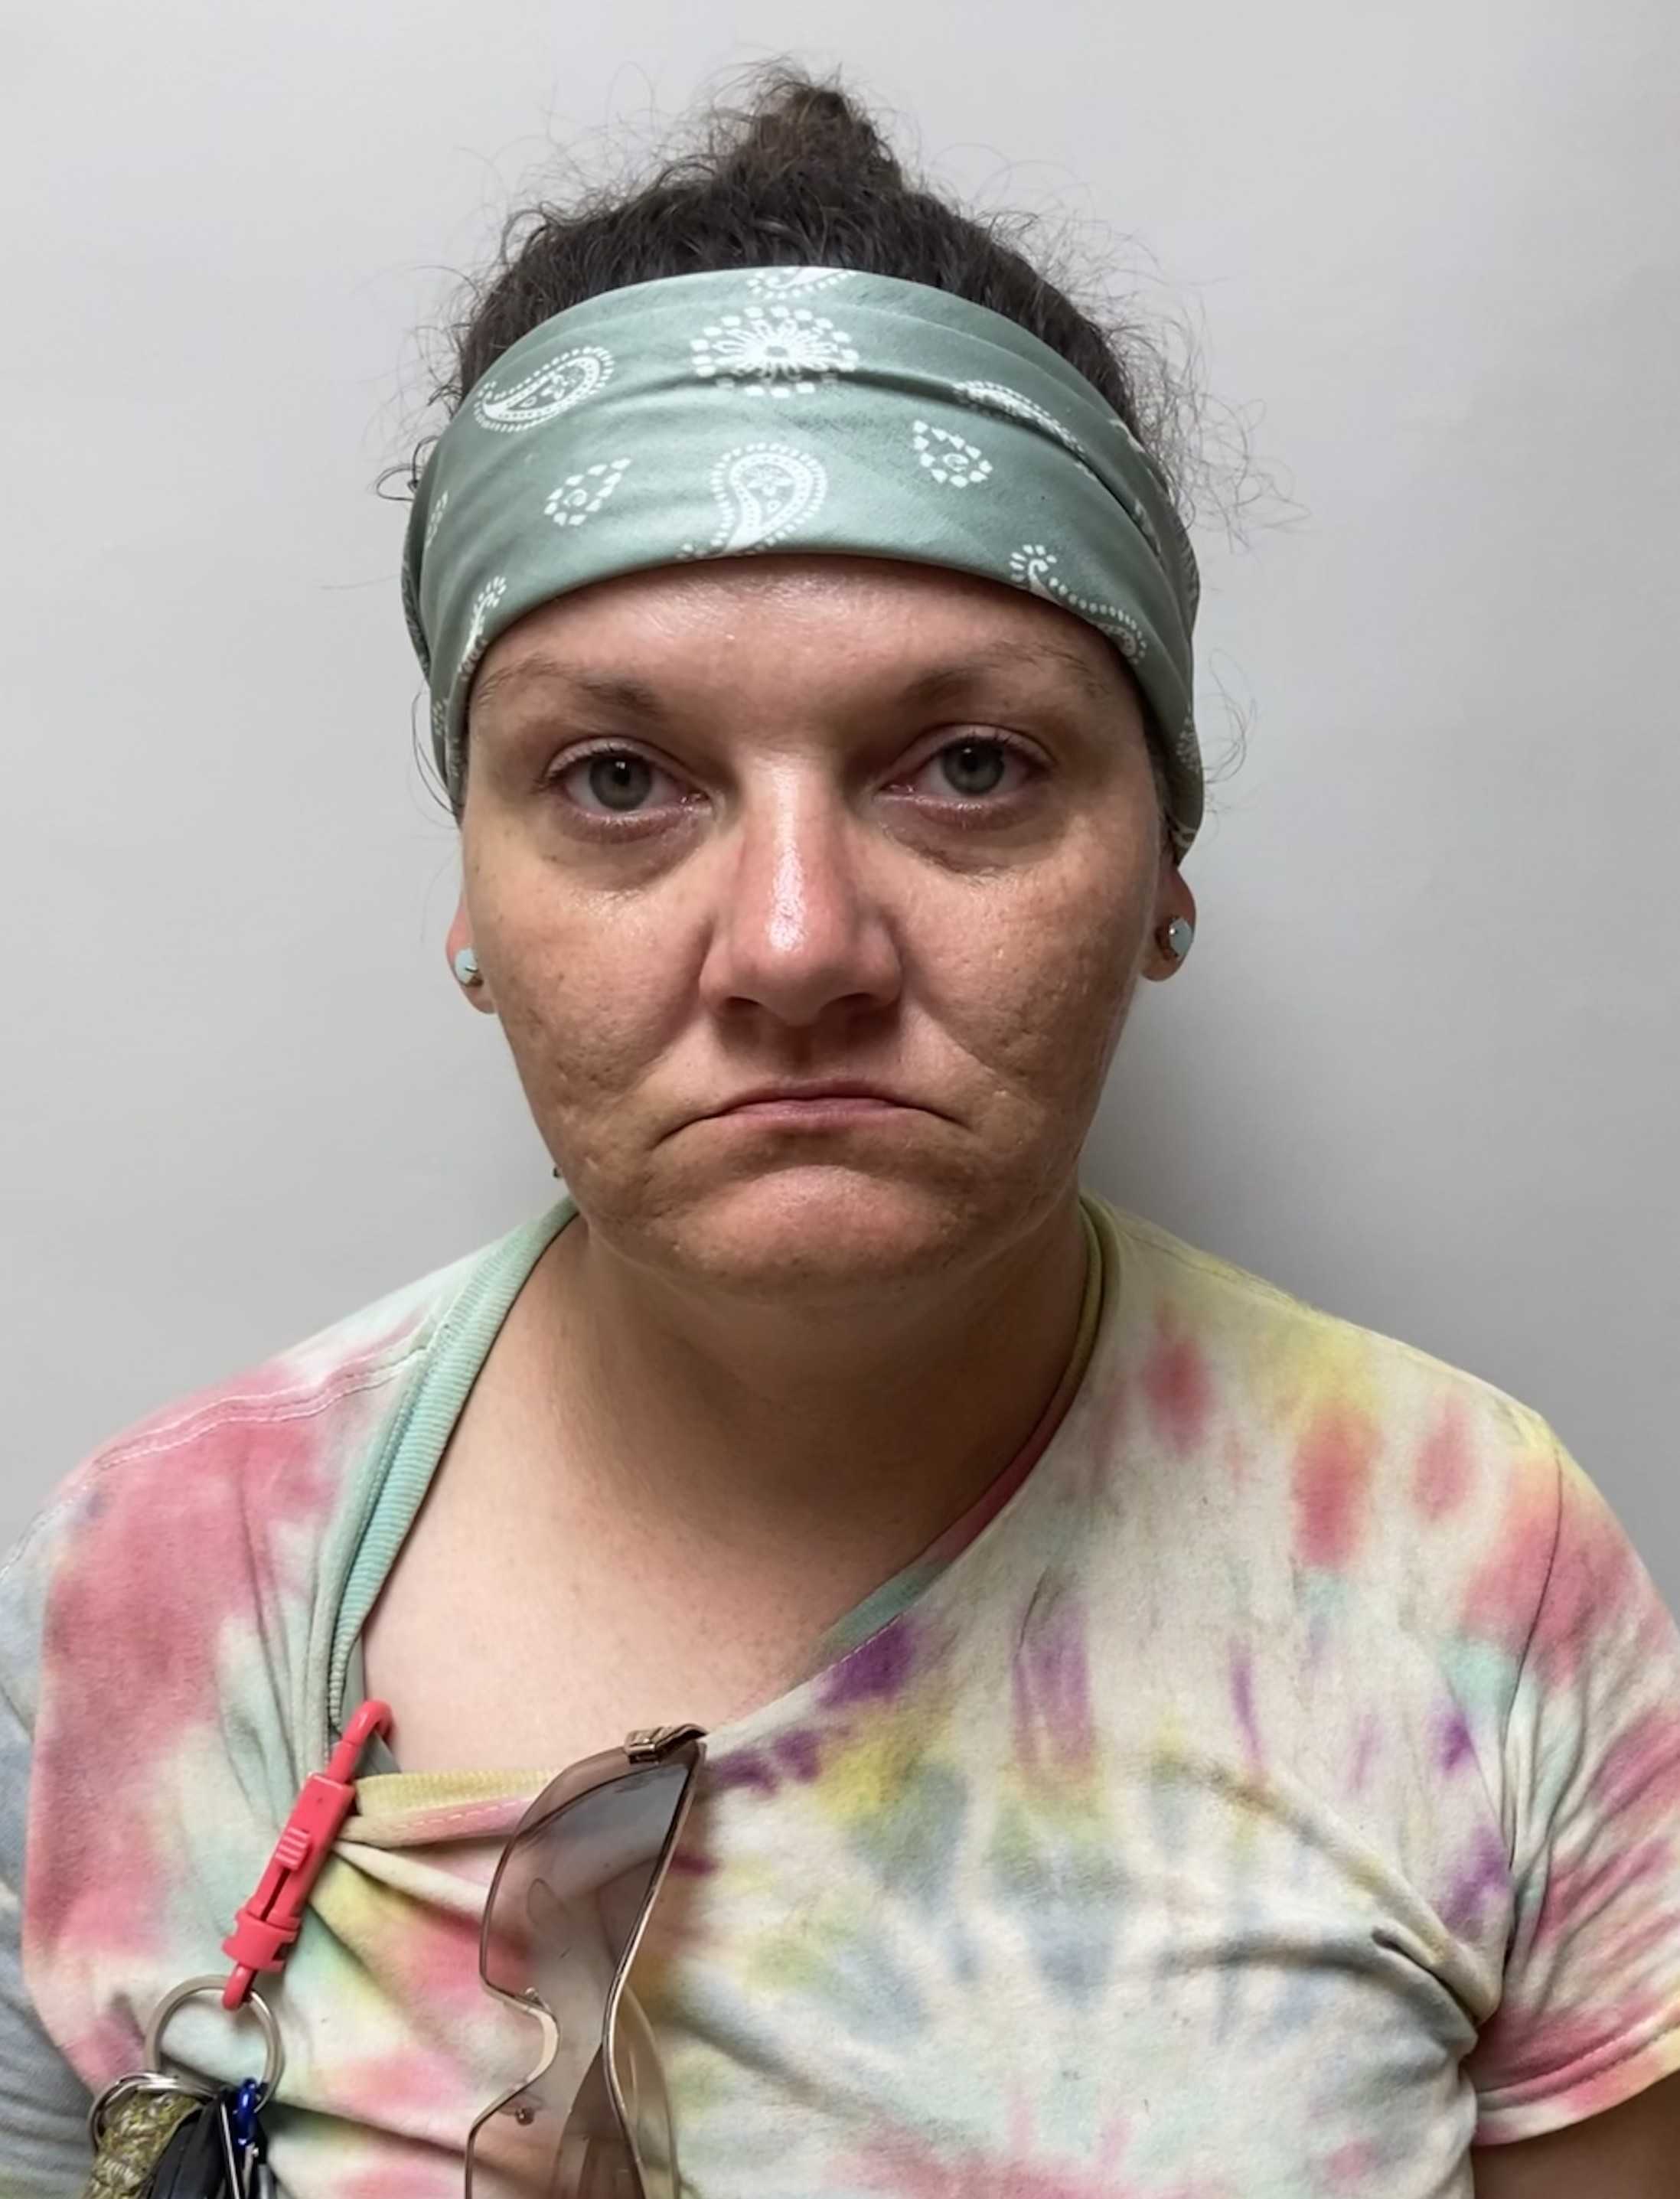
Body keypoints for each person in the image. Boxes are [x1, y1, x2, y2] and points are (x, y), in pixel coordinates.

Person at [3, 64, 1678, 2199]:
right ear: (470, 896)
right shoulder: (153, 1588)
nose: (795, 943)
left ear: (1162, 867)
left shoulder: (1468, 1571)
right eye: (620, 779)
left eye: (968, 764)